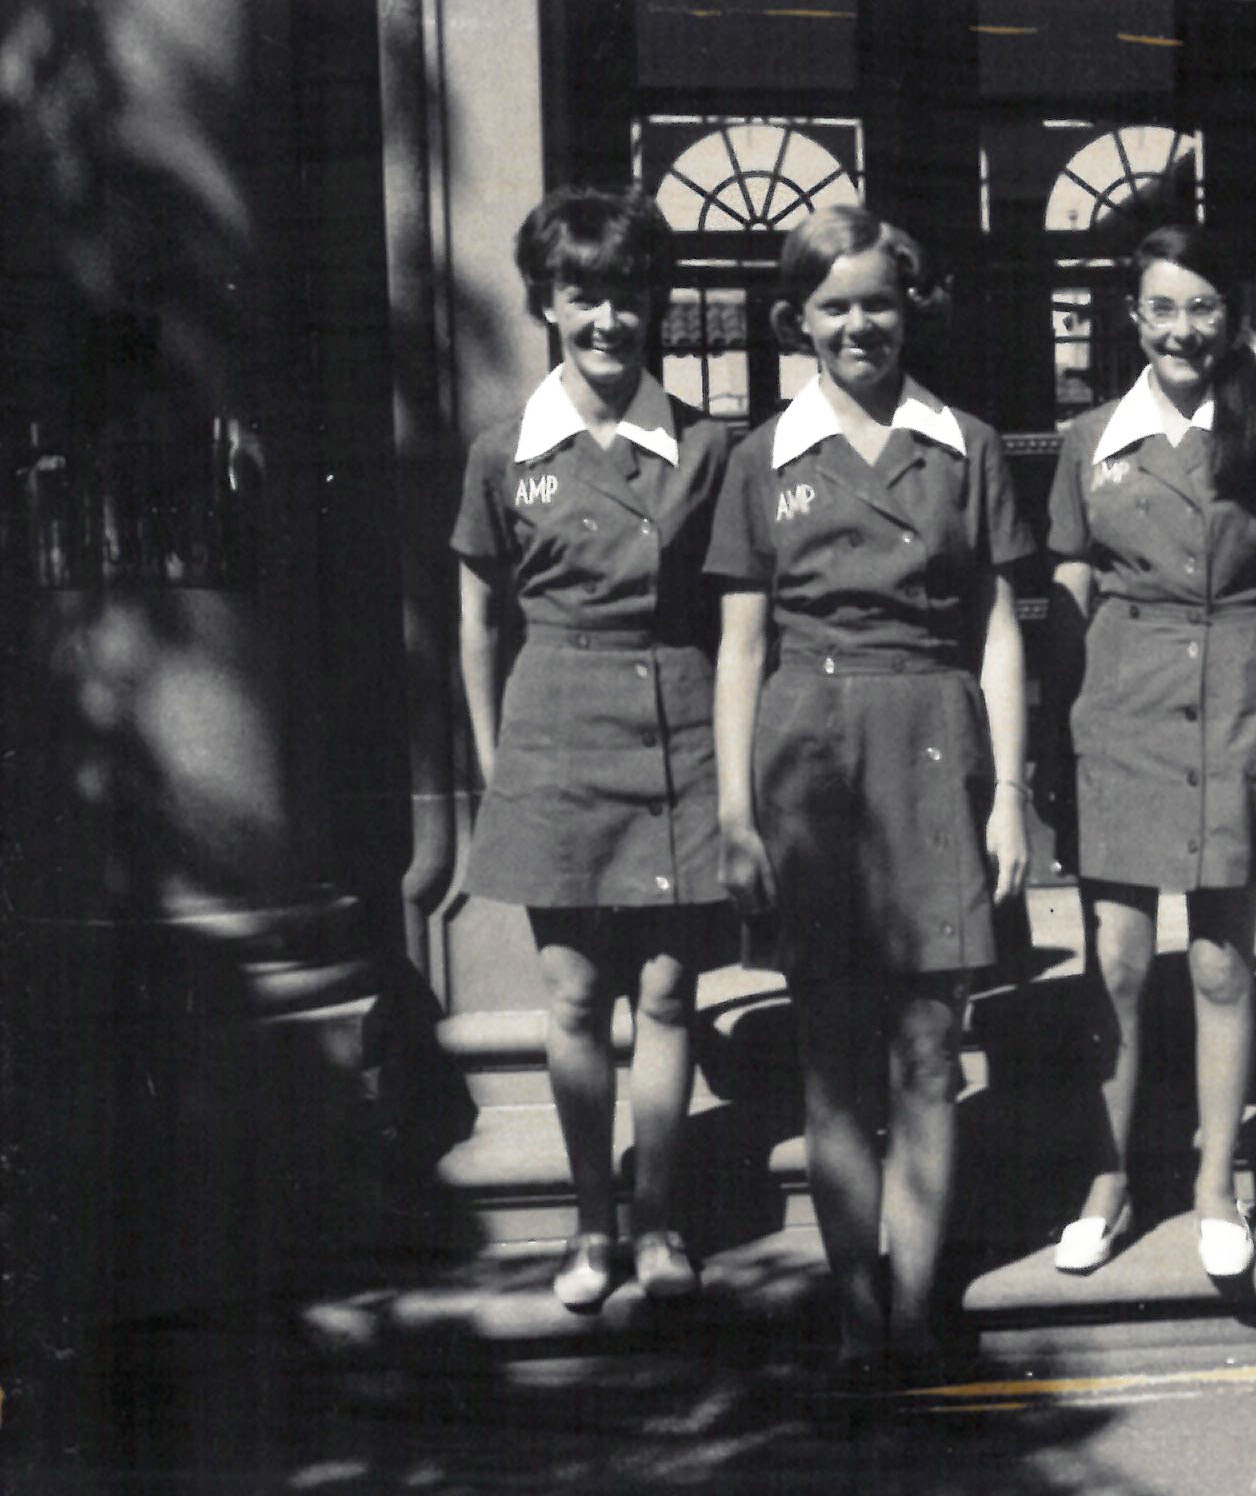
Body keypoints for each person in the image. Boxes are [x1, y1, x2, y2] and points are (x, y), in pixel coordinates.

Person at [708, 204, 1031, 1380]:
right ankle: (853, 1306)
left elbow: (998, 626)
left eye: (878, 302)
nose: (860, 325)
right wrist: (739, 815)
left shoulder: (968, 446)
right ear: (798, 320)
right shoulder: (761, 458)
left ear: (910, 309)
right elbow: (741, 645)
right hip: (810, 758)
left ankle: (912, 1300)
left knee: (932, 1049)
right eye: (834, 305)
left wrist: (1008, 795)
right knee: (834, 1052)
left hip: (935, 739)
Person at [1045, 222, 1256, 1281]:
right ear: (1133, 317)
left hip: (1237, 703)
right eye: (1163, 307)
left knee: (1220, 959)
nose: (1183, 329)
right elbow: (1070, 583)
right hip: (1117, 709)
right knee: (1118, 963)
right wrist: (1050, 716)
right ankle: (1107, 1180)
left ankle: (1218, 1182)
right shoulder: (1089, 439)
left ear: (1234, 316)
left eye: (1203, 307)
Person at [453, 185, 730, 1311]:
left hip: (681, 726)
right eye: (582, 294)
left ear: (652, 300)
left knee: (667, 996)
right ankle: (590, 1223)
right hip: (552, 734)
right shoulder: (502, 451)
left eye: (624, 292)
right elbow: (477, 616)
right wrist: (493, 764)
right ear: (546, 303)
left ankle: (660, 1223)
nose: (606, 317)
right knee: (573, 1000)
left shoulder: (709, 448)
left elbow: (736, 616)